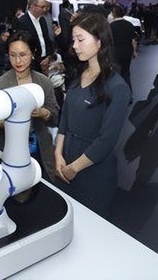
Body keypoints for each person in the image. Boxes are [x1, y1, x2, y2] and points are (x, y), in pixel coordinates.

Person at [54, 11, 131, 217]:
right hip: (66, 158)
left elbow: (107, 140)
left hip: (93, 169)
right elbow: (65, 118)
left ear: (99, 42)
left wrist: (74, 168)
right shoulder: (79, 75)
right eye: (73, 40)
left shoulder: (117, 87)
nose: (75, 46)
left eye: (80, 40)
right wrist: (58, 153)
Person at [0, 31, 59, 181]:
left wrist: (44, 113)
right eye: (12, 55)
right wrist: (10, 122)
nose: (18, 61)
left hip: (40, 148)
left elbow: (55, 116)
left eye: (23, 54)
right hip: (10, 149)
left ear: (33, 53)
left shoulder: (44, 82)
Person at [16, 0, 53, 73]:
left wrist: (48, 57)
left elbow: (47, 39)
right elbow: (23, 44)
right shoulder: (22, 22)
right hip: (31, 62)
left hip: (45, 60)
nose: (44, 9)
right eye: (42, 7)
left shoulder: (42, 20)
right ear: (33, 6)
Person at [109, 4, 137, 94]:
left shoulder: (111, 25)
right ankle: (129, 93)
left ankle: (117, 93)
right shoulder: (129, 24)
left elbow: (109, 41)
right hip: (128, 51)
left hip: (115, 52)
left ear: (114, 13)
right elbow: (133, 40)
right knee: (126, 72)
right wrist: (134, 52)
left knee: (115, 73)